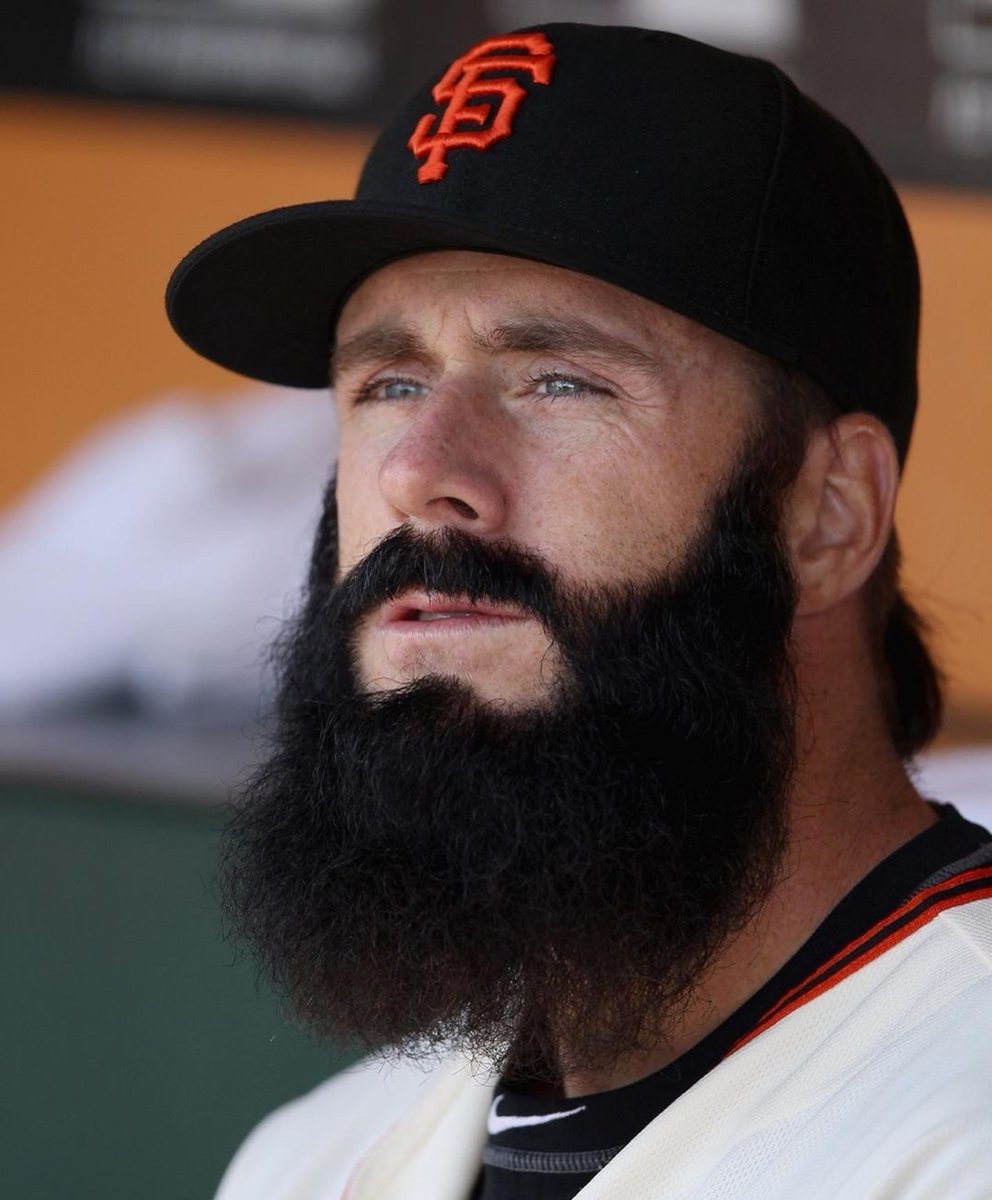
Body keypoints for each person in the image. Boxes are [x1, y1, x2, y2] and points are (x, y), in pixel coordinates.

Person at [167, 23, 992, 1200]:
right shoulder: (311, 1160)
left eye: (558, 380)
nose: (418, 471)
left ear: (827, 513)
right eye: (387, 383)